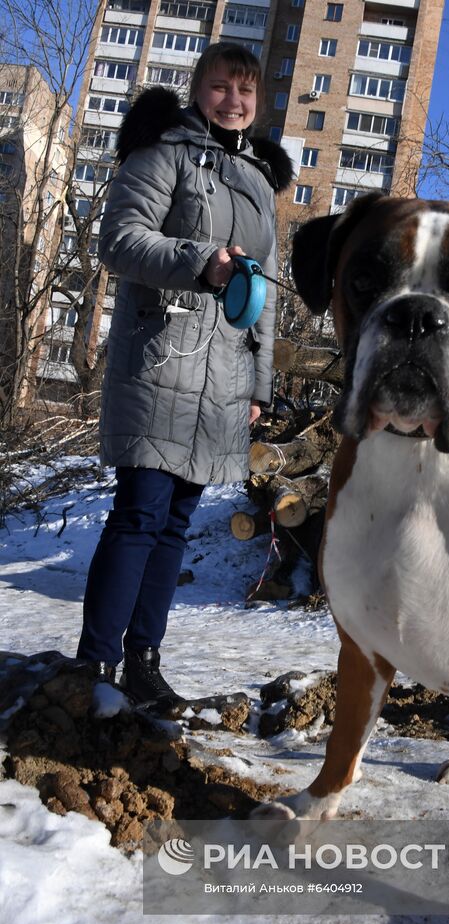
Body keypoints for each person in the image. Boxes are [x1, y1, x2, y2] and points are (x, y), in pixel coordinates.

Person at [76, 43, 293, 709]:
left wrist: (258, 386)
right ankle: (97, 667)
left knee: (175, 521)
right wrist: (201, 262)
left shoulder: (260, 183)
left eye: (246, 91)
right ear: (199, 91)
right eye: (222, 87)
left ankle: (144, 661)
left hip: (222, 376)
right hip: (160, 356)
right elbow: (118, 239)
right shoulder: (162, 152)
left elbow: (265, 294)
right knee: (139, 512)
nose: (234, 100)